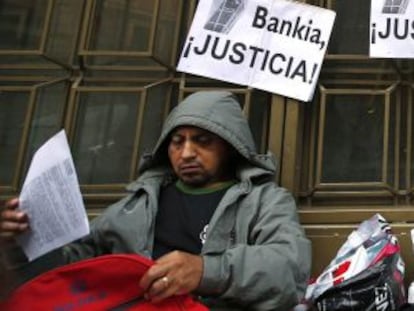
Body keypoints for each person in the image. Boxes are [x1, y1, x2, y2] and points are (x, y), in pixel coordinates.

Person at [0, 90, 311, 310]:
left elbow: (288, 271)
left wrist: (204, 271)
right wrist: (22, 241)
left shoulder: (264, 201)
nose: (187, 152)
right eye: (177, 142)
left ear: (230, 147)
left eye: (203, 141)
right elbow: (69, 272)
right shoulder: (135, 205)